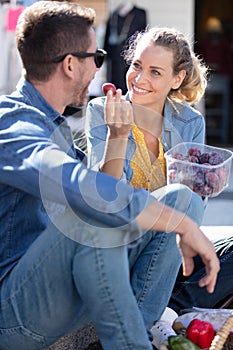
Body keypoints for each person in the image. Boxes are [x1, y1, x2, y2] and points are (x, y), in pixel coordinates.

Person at [0, 3, 220, 350]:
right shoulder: (13, 123)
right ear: (71, 65)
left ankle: (137, 329)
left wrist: (186, 211)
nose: (103, 70)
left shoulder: (55, 125)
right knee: (92, 217)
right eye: (98, 57)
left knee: (182, 201)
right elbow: (82, 188)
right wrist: (181, 224)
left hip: (76, 278)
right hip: (16, 311)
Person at [85, 26, 230, 347]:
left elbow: (197, 197)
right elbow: (105, 197)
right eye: (136, 66)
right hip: (120, 239)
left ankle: (164, 311)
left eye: (154, 71)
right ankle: (137, 331)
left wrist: (210, 184)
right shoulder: (102, 111)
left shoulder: (189, 121)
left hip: (171, 246)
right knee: (178, 200)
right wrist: (117, 135)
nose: (139, 79)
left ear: (176, 80)